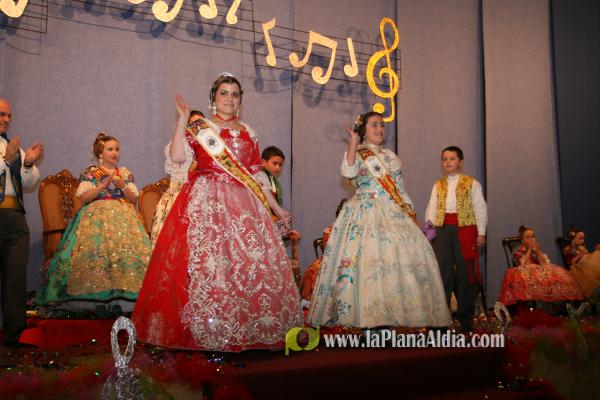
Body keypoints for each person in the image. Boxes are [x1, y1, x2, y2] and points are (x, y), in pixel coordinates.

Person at [131, 73, 302, 352]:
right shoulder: (201, 128)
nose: (229, 99)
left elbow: (256, 177)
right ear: (213, 98)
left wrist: (277, 208)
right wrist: (182, 120)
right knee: (210, 264)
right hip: (208, 202)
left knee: (248, 265)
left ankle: (247, 329)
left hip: (245, 205)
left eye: (235, 94)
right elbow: (177, 157)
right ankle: (210, 328)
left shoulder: (249, 131)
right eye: (224, 93)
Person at [307, 111, 451, 329]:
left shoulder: (390, 157)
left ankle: (398, 315)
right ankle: (370, 319)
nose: (380, 129)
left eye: (382, 125)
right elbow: (348, 172)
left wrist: (410, 213)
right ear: (364, 130)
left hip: (393, 211)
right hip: (365, 211)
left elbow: (399, 189)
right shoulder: (358, 152)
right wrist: (353, 143)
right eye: (374, 125)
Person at [36, 133, 151, 313]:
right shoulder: (91, 173)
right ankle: (90, 299)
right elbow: (83, 198)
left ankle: (124, 298)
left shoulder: (124, 173)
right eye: (110, 149)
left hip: (122, 217)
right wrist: (101, 187)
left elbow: (134, 198)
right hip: (95, 216)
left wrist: (122, 185)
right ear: (100, 153)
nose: (115, 153)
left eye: (117, 149)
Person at [424, 146, 487, 331]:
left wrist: (481, 233)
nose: (448, 162)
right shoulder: (438, 185)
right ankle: (441, 321)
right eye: (444, 159)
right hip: (443, 231)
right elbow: (431, 210)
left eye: (452, 158)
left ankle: (466, 320)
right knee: (443, 273)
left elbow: (480, 208)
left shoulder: (472, 183)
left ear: (461, 162)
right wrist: (428, 234)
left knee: (466, 274)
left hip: (465, 230)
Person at [0, 98, 43, 346]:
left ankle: (14, 337)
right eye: (2, 114)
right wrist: (6, 160)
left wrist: (27, 163)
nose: (6, 119)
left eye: (9, 115)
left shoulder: (12, 146)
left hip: (15, 218)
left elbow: (29, 182)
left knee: (15, 279)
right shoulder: (9, 151)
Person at [150, 110, 204, 248]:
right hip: (179, 199)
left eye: (201, 123)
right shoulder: (178, 145)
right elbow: (179, 166)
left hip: (201, 200)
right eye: (193, 123)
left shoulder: (208, 147)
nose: (197, 127)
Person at [498, 225, 583, 306]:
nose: (531, 239)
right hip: (526, 270)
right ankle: (539, 302)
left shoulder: (536, 249)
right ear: (522, 240)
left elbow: (544, 262)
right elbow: (523, 264)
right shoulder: (518, 251)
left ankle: (562, 302)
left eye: (533, 236)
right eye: (528, 237)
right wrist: (529, 249)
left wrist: (538, 252)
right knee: (537, 278)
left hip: (538, 268)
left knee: (557, 275)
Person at [300, 198, 346, 302]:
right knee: (315, 271)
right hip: (331, 260)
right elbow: (329, 251)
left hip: (348, 260)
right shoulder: (330, 230)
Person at [563, 227, 600, 302]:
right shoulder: (568, 249)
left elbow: (588, 257)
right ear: (573, 239)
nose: (582, 240)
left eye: (583, 238)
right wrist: (579, 256)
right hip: (579, 269)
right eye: (580, 238)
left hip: (587, 266)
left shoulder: (582, 247)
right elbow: (571, 264)